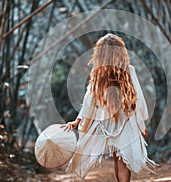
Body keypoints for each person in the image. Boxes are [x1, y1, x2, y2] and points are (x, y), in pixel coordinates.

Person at [61, 33, 158, 181]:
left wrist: (78, 120)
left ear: (99, 54)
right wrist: (141, 124)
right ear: (121, 52)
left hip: (106, 123)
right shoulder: (128, 70)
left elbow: (89, 101)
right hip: (126, 121)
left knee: (117, 156)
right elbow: (137, 100)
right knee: (121, 159)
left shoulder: (98, 73)